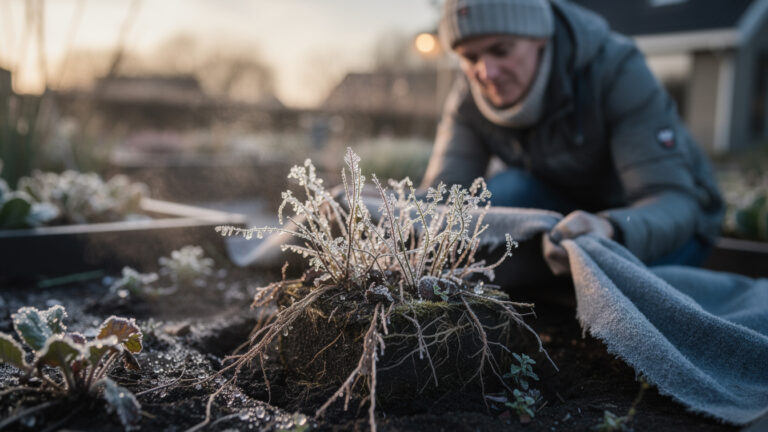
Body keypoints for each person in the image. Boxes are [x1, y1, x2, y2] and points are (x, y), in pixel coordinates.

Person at [421, 0, 724, 275]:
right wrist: (385, 206)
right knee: (493, 203)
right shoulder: (468, 97)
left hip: (652, 224)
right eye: (469, 57)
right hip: (567, 216)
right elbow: (443, 198)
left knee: (607, 269)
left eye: (501, 50)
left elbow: (672, 200)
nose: (486, 72)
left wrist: (609, 228)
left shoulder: (616, 69)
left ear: (540, 37)